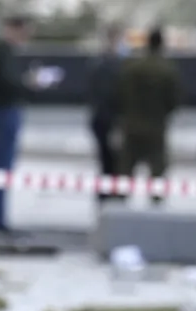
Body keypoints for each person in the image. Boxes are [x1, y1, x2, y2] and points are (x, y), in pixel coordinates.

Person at [0, 15, 45, 241]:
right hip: (4, 111)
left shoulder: (2, 52)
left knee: (2, 166)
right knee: (0, 166)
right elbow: (7, 83)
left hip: (5, 110)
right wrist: (28, 83)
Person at [117, 26, 183, 206]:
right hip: (156, 127)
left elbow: (120, 95)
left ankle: (121, 205)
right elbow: (173, 101)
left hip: (131, 125)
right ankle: (155, 207)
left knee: (126, 170)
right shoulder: (167, 70)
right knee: (157, 171)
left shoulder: (131, 67)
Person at [86, 23, 128, 203]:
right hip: (108, 120)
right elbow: (108, 96)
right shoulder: (110, 66)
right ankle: (110, 202)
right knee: (112, 164)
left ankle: (109, 202)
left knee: (109, 164)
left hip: (103, 120)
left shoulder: (100, 63)